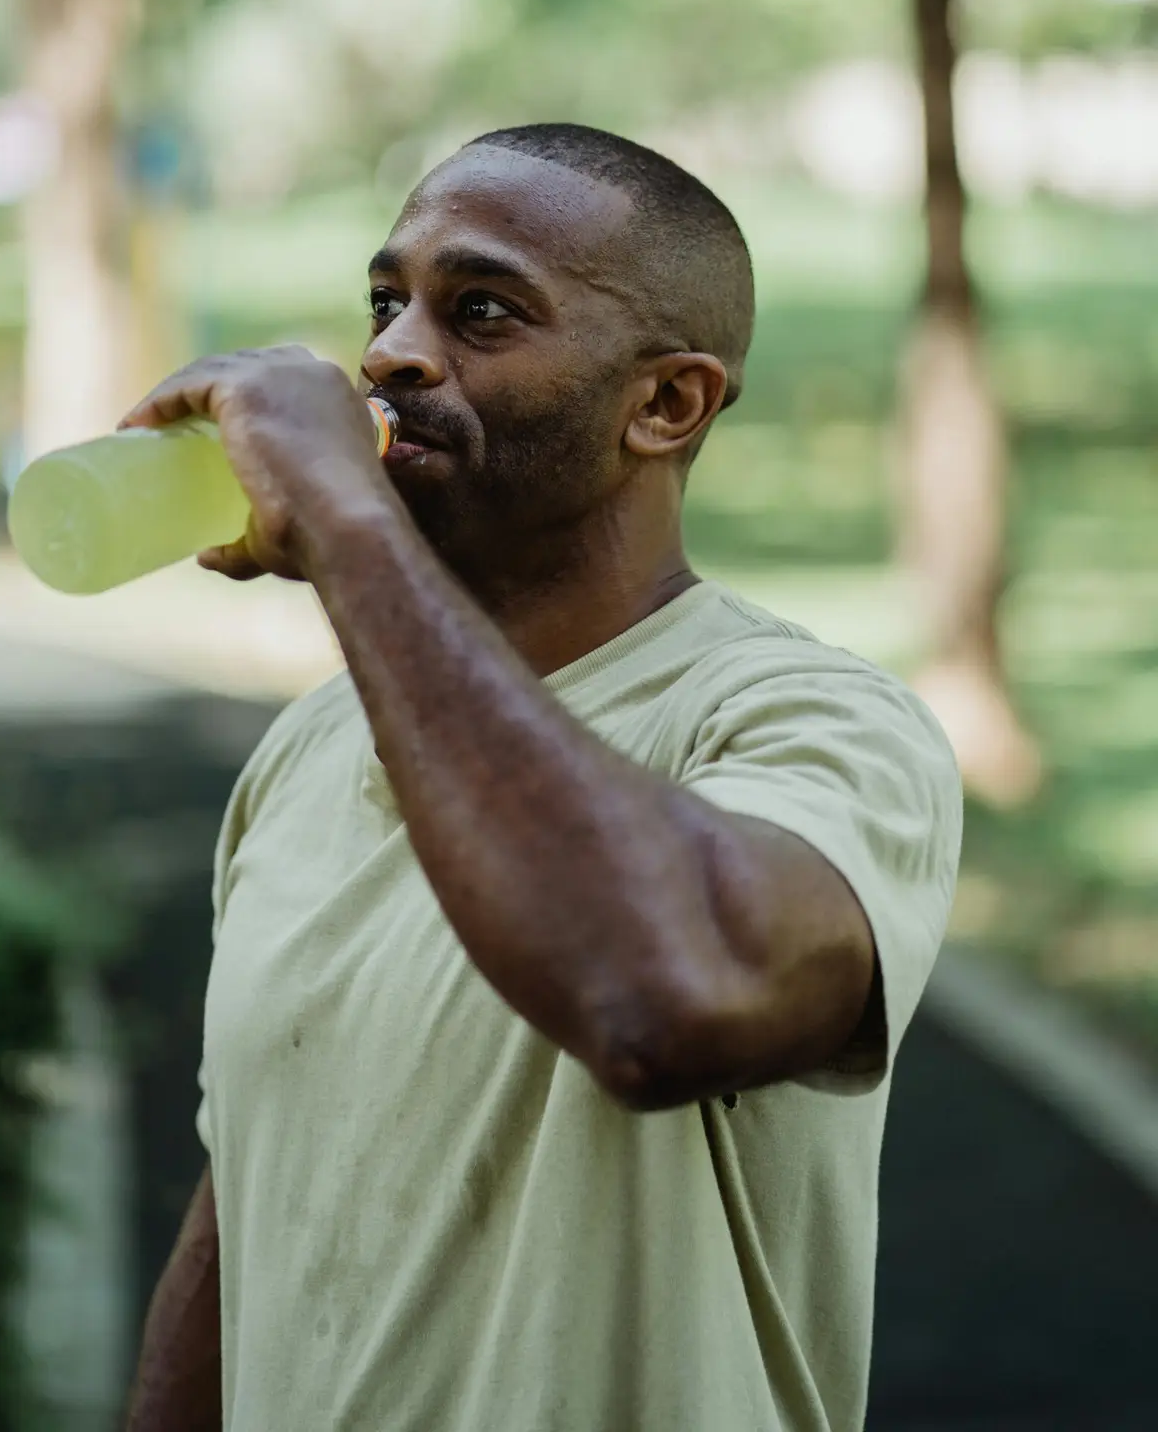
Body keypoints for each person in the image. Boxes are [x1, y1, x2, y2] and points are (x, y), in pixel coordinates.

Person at [124, 124, 961, 1432]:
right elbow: (246, 1198)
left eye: (484, 313)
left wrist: (348, 528)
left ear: (666, 403)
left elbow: (664, 995)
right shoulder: (312, 743)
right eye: (386, 302)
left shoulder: (818, 724)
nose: (394, 353)